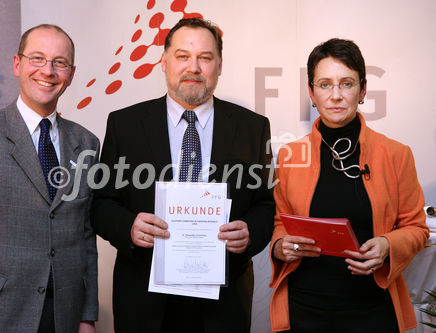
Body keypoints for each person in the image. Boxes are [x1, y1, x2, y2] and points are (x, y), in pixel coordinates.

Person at [91, 17, 275, 333]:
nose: (194, 67)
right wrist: (130, 227)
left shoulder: (252, 128)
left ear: (219, 65)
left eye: (205, 57)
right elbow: (101, 204)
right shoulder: (125, 125)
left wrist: (250, 233)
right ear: (163, 62)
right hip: (144, 301)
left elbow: (265, 204)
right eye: (182, 56)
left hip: (224, 301)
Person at [0, 24, 99, 333]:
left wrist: (86, 316)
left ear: (71, 73)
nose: (47, 71)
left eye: (59, 62)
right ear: (17, 64)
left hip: (63, 316)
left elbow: (84, 236)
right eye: (37, 58)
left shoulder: (87, 142)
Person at [269, 38, 429, 332]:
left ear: (363, 90)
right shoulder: (290, 155)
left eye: (346, 83)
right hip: (304, 307)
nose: (336, 96)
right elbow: (280, 221)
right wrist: (281, 246)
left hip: (372, 306)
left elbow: (417, 228)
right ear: (311, 93)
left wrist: (387, 245)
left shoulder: (396, 154)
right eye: (325, 84)